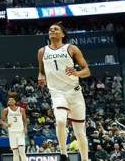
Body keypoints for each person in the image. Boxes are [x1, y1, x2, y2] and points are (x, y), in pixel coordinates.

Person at [37, 22, 91, 161]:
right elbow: (41, 72)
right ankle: (63, 153)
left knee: (80, 133)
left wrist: (77, 73)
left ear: (62, 34)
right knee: (60, 121)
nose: (52, 30)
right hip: (57, 92)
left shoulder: (71, 49)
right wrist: (41, 78)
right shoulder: (42, 51)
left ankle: (85, 159)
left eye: (55, 29)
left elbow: (87, 71)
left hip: (74, 93)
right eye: (50, 29)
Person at [0, 92, 27, 161]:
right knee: (15, 152)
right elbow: (1, 120)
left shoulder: (21, 109)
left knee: (22, 151)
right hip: (12, 132)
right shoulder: (6, 110)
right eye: (9, 100)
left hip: (20, 132)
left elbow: (25, 120)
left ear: (15, 101)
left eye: (12, 100)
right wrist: (5, 124)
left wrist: (25, 128)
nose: (10, 101)